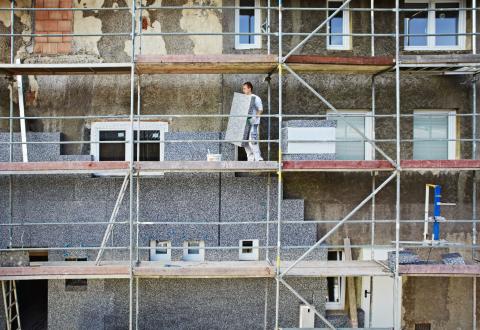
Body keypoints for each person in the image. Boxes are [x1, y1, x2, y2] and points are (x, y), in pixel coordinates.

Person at [242, 81, 263, 161]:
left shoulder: (256, 98)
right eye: (243, 89)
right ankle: (250, 158)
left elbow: (260, 110)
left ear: (249, 88)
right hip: (245, 123)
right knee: (244, 142)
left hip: (253, 123)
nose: (243, 90)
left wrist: (255, 118)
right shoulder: (244, 98)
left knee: (252, 141)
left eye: (244, 88)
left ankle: (258, 158)